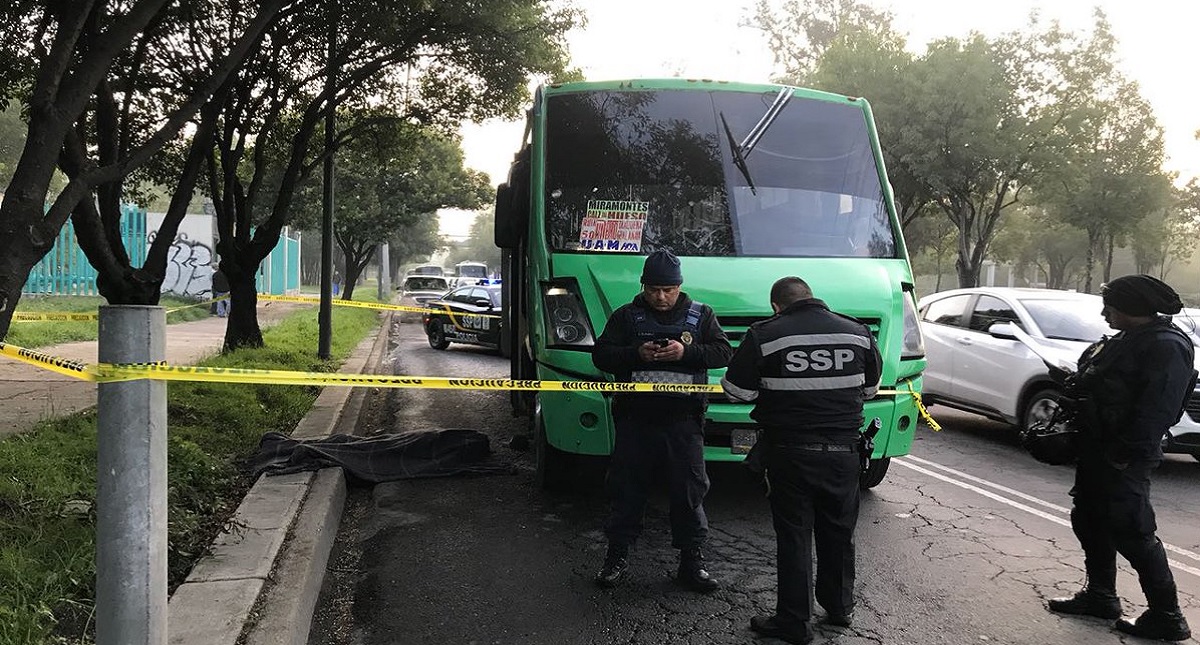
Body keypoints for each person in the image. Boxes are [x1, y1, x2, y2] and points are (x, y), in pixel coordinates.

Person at [721, 276, 881, 645]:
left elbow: (737, 392)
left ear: (777, 305)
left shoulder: (765, 335)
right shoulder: (856, 333)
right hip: (844, 453)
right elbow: (870, 388)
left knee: (794, 536)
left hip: (789, 454)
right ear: (812, 298)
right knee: (839, 532)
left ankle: (794, 622)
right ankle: (840, 608)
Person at [1046, 274, 1195, 642]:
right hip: (1099, 448)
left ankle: (1167, 616)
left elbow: (1156, 407)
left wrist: (1126, 453)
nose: (1103, 312)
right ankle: (1100, 596)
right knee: (1089, 518)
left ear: (1132, 307)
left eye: (1110, 306)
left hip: (1125, 454)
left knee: (1133, 531)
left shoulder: (1165, 345)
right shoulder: (1128, 339)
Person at [591, 249, 732, 593]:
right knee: (626, 490)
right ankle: (617, 557)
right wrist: (634, 354)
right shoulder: (627, 317)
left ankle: (692, 562)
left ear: (680, 286)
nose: (661, 296)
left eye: (668, 289)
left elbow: (723, 352)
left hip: (683, 422)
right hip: (635, 421)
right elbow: (601, 355)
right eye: (654, 289)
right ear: (643, 285)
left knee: (689, 493)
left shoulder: (701, 316)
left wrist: (687, 353)